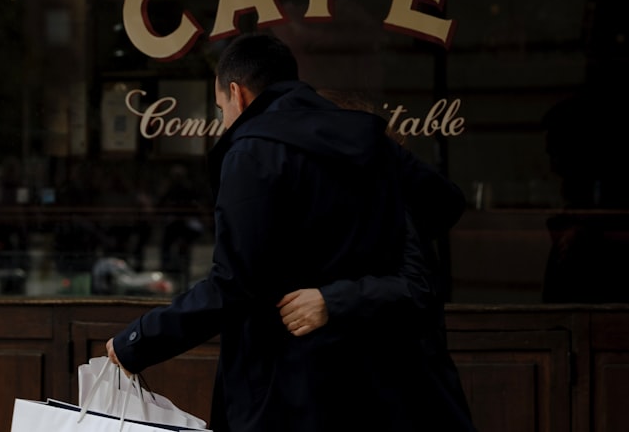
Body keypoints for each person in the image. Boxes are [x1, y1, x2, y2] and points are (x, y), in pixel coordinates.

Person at [105, 32, 434, 431]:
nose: (223, 122)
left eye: (221, 108)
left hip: (293, 386)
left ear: (237, 94)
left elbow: (234, 283)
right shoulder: (361, 152)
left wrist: (140, 340)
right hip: (361, 387)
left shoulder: (254, 151)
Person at [276, 89, 477, 431]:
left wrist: (330, 301)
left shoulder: (388, 198)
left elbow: (418, 287)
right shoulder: (334, 198)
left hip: (399, 394)